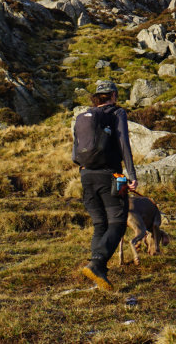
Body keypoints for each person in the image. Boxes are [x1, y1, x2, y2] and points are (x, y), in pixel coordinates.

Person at [72, 80, 137, 291]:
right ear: (113, 95)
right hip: (111, 175)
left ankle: (97, 275)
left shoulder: (83, 117)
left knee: (100, 225)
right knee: (117, 223)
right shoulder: (116, 113)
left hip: (85, 176)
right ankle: (97, 264)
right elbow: (123, 143)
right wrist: (132, 174)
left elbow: (75, 153)